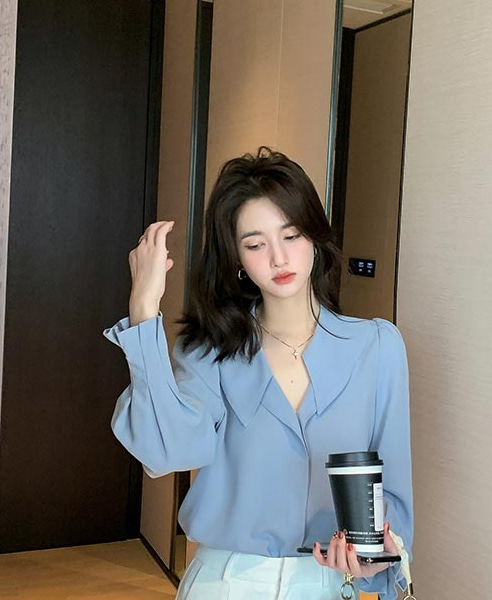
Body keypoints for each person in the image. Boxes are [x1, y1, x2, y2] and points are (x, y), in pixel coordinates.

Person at [104, 147, 413, 600]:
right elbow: (168, 451)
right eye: (255, 244)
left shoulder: (378, 347)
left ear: (314, 235)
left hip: (328, 585)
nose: (278, 258)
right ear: (237, 258)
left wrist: (378, 561)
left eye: (291, 235)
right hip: (225, 583)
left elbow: (393, 493)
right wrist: (143, 311)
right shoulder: (209, 350)